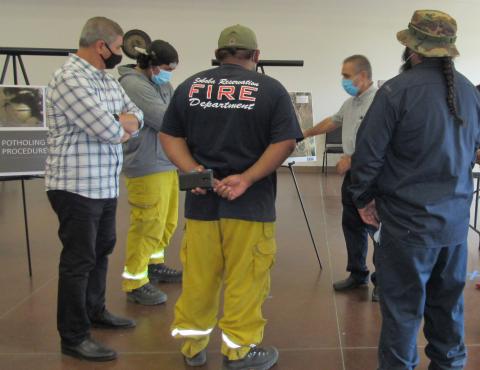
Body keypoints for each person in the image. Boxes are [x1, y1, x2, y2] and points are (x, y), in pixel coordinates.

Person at [159, 24, 302, 370]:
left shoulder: (191, 86)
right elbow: (285, 142)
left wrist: (194, 170)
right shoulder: (270, 90)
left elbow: (168, 135)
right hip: (249, 206)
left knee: (198, 277)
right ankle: (239, 352)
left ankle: (192, 347)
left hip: (201, 202)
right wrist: (247, 178)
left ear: (218, 54)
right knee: (246, 278)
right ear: (255, 56)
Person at [349, 10, 480, 370]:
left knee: (403, 313)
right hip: (454, 228)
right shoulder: (469, 92)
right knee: (448, 310)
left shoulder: (394, 91)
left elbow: (368, 156)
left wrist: (362, 199)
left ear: (412, 49)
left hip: (406, 226)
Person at [45, 16, 143, 362]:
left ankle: (95, 310)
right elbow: (109, 130)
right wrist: (120, 124)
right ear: (101, 46)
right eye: (118, 48)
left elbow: (136, 115)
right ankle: (73, 336)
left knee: (102, 249)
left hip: (103, 183)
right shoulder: (69, 79)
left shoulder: (105, 78)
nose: (120, 53)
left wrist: (123, 122)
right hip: (75, 186)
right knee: (79, 259)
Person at [303, 55, 379, 301]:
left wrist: (353, 159)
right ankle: (358, 273)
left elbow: (382, 144)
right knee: (352, 224)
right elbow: (333, 122)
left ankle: (384, 282)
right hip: (352, 176)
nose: (343, 80)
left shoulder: (380, 103)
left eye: (347, 75)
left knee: (377, 229)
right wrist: (304, 133)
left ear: (363, 76)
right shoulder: (352, 103)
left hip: (373, 177)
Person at [117, 40, 182, 306]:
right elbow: (164, 118)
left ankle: (153, 264)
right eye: (166, 69)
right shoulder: (133, 85)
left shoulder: (161, 83)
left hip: (165, 161)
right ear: (151, 65)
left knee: (166, 221)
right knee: (147, 223)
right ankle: (135, 281)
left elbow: (177, 109)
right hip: (145, 163)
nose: (168, 75)